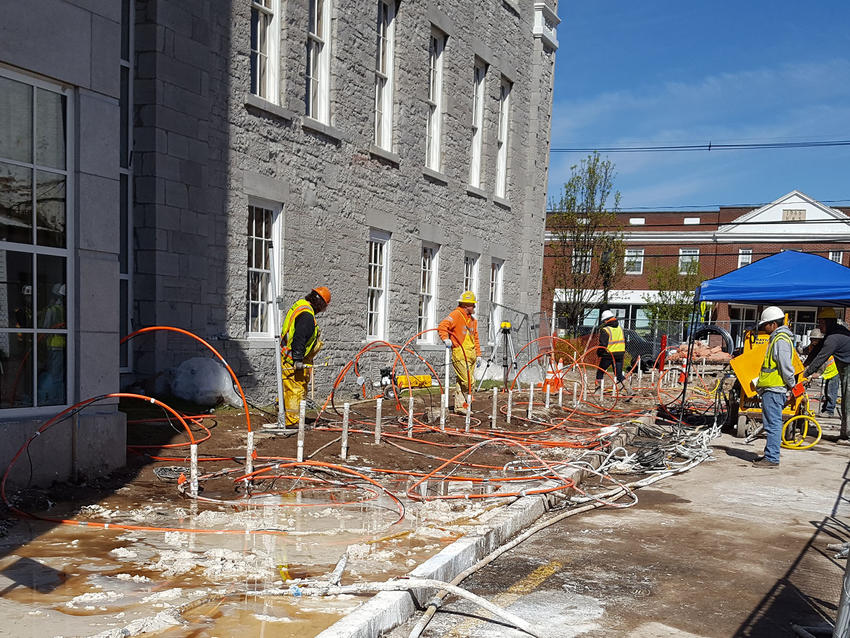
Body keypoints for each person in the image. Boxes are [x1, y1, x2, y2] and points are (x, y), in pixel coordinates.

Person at [279, 286, 331, 427]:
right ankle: (292, 421)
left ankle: (285, 414)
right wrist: (297, 359)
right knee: (296, 389)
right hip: (292, 359)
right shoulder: (307, 315)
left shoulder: (301, 306)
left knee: (291, 387)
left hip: (289, 356)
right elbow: (299, 337)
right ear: (320, 304)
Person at [753, 306, 797, 468]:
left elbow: (786, 367)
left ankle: (771, 458)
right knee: (772, 423)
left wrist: (792, 385)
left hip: (774, 388)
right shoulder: (778, 339)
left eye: (765, 324)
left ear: (773, 324)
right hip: (771, 388)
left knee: (773, 424)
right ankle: (769, 455)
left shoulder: (781, 341)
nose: (764, 328)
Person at [802, 307, 850, 444]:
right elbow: (815, 352)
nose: (819, 326)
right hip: (845, 368)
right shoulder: (833, 334)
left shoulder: (833, 338)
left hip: (849, 368)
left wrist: (806, 374)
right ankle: (844, 434)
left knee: (848, 402)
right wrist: (803, 366)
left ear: (830, 322)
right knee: (846, 401)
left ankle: (848, 436)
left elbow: (820, 358)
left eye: (822, 323)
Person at [438, 291, 482, 416]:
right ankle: (466, 403)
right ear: (465, 305)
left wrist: (478, 354)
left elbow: (475, 338)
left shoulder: (473, 320)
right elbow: (443, 326)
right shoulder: (456, 315)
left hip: (471, 354)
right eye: (472, 305)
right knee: (469, 381)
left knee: (461, 381)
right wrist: (445, 338)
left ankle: (460, 406)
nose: (474, 307)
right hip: (460, 353)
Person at [803, 328, 839, 417]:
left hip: (832, 370)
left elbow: (822, 363)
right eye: (812, 339)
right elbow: (808, 357)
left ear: (820, 339)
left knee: (831, 392)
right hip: (826, 371)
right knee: (827, 391)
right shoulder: (812, 347)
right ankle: (825, 409)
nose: (813, 341)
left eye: (816, 339)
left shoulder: (825, 348)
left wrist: (816, 374)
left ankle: (829, 411)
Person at [596, 310, 628, 394]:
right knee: (619, 374)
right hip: (620, 354)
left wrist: (599, 353)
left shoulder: (605, 330)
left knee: (600, 371)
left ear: (606, 320)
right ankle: (629, 389)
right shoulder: (620, 329)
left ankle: (598, 390)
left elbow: (603, 344)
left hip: (609, 354)